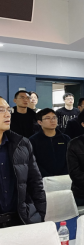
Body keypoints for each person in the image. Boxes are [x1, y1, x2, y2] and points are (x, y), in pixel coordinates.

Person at [0, 96, 46, 228]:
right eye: (1, 110)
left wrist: (38, 215)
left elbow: (35, 183)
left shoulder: (22, 144)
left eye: (8, 110)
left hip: (20, 220)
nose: (7, 114)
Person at [29, 109, 71, 178]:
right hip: (43, 178)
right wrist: (47, 175)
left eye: (54, 118)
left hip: (65, 177)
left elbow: (71, 158)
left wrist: (64, 173)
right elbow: (32, 162)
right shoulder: (33, 140)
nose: (52, 120)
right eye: (47, 118)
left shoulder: (65, 138)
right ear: (40, 122)